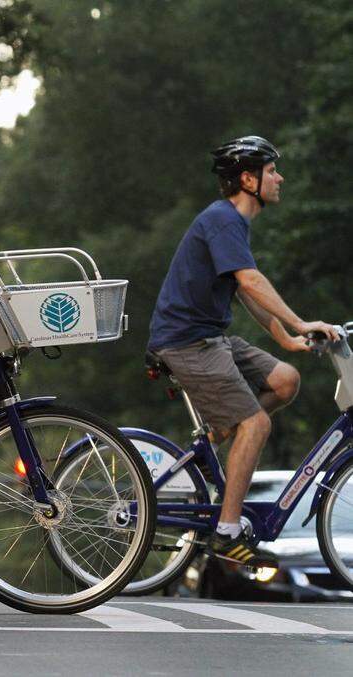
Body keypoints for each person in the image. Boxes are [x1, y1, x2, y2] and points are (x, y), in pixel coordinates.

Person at [147, 136, 337, 567]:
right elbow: (251, 282)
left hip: (211, 337)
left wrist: (287, 340)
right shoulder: (222, 219)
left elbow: (244, 289)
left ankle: (222, 431)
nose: (280, 178)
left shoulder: (234, 223)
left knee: (286, 380)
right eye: (273, 171)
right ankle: (227, 531)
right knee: (256, 424)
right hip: (186, 341)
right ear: (248, 179)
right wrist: (301, 322)